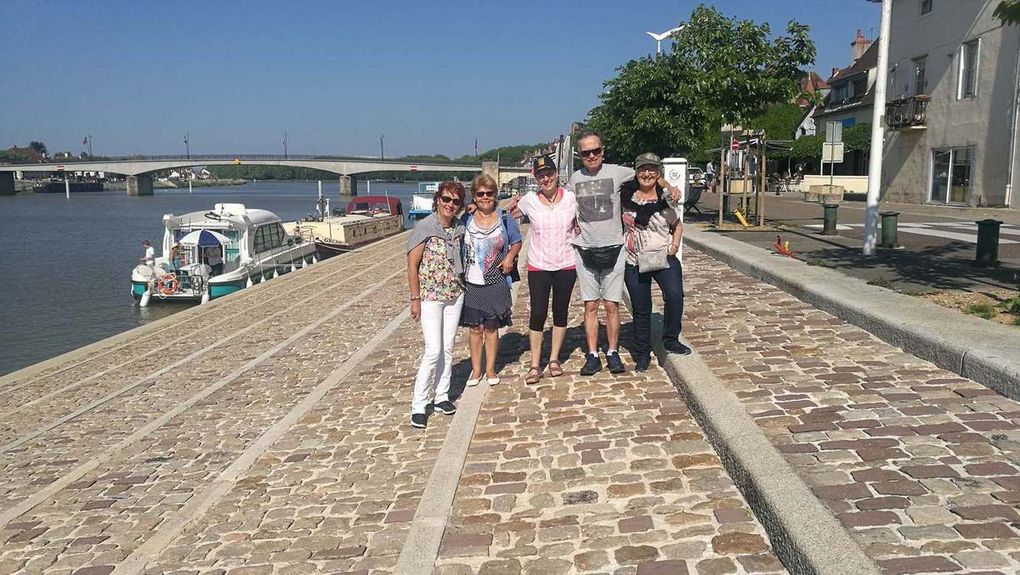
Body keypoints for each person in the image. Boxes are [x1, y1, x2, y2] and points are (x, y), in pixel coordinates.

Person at [621, 153, 692, 372]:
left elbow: (677, 225)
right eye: (643, 169)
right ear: (636, 172)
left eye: (652, 169)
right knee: (641, 309)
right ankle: (642, 353)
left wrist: (674, 246)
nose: (647, 174)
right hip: (634, 259)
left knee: (674, 296)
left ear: (658, 173)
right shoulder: (625, 197)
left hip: (663, 256)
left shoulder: (666, 199)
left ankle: (670, 339)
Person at [406, 181, 467, 429]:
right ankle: (419, 405)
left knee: (448, 347)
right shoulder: (425, 227)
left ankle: (442, 396)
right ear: (437, 200)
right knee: (433, 350)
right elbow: (412, 265)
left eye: (456, 201)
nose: (450, 205)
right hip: (431, 296)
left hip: (454, 294)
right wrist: (414, 299)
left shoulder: (459, 228)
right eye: (446, 199)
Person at [515, 154, 578, 384]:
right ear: (536, 177)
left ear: (556, 175)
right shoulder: (529, 200)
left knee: (560, 311)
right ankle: (535, 364)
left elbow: (587, 216)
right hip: (539, 265)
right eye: (541, 175)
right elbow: (505, 217)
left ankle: (553, 359)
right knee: (538, 313)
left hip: (566, 262)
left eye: (549, 173)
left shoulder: (571, 198)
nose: (546, 178)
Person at [459, 174, 523, 388]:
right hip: (471, 282)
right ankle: (476, 370)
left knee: (491, 328)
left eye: (489, 193)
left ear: (495, 195)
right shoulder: (466, 219)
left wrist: (509, 257)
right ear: (474, 197)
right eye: (480, 194)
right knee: (475, 329)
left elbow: (516, 241)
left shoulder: (505, 218)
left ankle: (490, 368)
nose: (485, 197)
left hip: (496, 281)